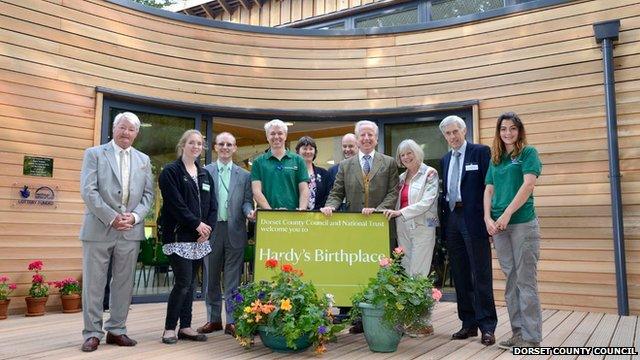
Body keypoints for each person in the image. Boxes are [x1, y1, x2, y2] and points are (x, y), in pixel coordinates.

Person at [79, 112, 154, 352]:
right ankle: (92, 333)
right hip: (99, 228)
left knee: (123, 283)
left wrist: (134, 216)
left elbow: (148, 196)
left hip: (130, 230)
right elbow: (88, 191)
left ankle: (117, 330)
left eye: (131, 130)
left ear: (136, 133)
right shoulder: (94, 154)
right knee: (94, 283)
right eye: (122, 128)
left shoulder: (143, 159)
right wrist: (112, 218)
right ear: (114, 128)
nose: (126, 133)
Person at [321, 120, 399, 334]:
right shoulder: (346, 166)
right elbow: (337, 192)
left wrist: (377, 211)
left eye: (370, 135)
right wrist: (330, 207)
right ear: (356, 139)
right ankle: (359, 319)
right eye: (362, 135)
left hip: (381, 227)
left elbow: (393, 192)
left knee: (381, 272)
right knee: (357, 271)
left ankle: (383, 317)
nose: (366, 138)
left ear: (376, 138)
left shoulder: (389, 162)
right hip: (354, 230)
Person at [484, 112, 542, 350]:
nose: (508, 133)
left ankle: (531, 337)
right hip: (498, 227)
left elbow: (528, 185)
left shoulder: (528, 153)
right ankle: (518, 333)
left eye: (512, 129)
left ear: (520, 131)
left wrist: (507, 214)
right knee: (510, 280)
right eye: (503, 129)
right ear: (499, 132)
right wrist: (487, 218)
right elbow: (489, 189)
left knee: (526, 281)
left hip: (522, 224)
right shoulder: (496, 157)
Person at [439, 115, 497, 346]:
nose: (452, 136)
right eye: (448, 133)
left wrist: (489, 218)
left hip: (475, 219)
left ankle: (487, 327)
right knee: (460, 275)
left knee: (480, 274)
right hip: (453, 218)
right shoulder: (444, 159)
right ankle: (468, 323)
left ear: (464, 131)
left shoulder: (480, 152)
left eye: (455, 131)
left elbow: (490, 187)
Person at [158, 130, 217, 344]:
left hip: (200, 238)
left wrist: (207, 229)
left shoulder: (204, 174)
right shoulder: (170, 172)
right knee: (182, 282)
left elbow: (213, 206)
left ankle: (186, 326)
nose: (196, 146)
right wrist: (197, 225)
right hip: (178, 237)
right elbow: (175, 205)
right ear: (183, 145)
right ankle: (169, 328)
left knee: (191, 284)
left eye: (199, 144)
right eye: (191, 142)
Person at [198, 132, 255, 338]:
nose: (225, 147)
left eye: (229, 144)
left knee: (233, 279)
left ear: (235, 148)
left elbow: (247, 200)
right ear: (215, 147)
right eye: (221, 144)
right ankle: (213, 319)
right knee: (211, 277)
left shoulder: (245, 175)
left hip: (235, 231)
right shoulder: (204, 172)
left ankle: (232, 321)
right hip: (211, 231)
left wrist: (249, 211)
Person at [383, 139, 439, 277]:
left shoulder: (430, 173)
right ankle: (410, 299)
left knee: (419, 271)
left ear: (417, 153)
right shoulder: (401, 177)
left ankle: (421, 299)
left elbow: (427, 202)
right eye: (402, 155)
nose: (406, 157)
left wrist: (400, 212)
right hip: (402, 227)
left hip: (423, 226)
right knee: (406, 267)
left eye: (409, 153)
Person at [251, 119, 309, 210]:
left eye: (280, 133)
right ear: (267, 137)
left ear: (285, 136)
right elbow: (256, 191)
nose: (276, 137)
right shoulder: (258, 162)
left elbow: (304, 190)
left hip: (294, 217)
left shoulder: (298, 160)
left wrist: (301, 211)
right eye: (272, 134)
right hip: (267, 218)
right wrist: (272, 213)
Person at [296, 136, 332, 210]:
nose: (308, 152)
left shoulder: (323, 173)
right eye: (305, 149)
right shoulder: (292, 172)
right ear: (298, 151)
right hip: (295, 216)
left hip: (318, 217)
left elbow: (328, 195)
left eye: (311, 149)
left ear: (315, 152)